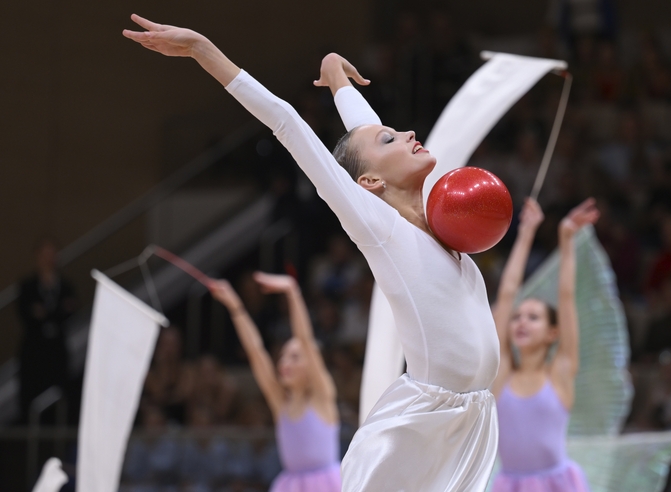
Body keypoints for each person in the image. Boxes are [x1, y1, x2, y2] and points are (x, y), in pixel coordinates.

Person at [124, 16, 500, 491]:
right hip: (423, 427)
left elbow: (364, 131)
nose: (404, 133)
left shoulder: (441, 223)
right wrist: (203, 51)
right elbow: (287, 122)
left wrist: (338, 79)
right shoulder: (378, 226)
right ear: (369, 184)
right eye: (390, 139)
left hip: (475, 418)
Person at [489, 197, 597, 491]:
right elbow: (508, 293)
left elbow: (566, 297)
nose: (521, 322)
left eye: (533, 317)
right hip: (510, 485)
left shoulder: (560, 371)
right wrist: (526, 234)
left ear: (553, 332)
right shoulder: (502, 375)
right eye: (517, 318)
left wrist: (565, 238)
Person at [209, 273, 341, 491]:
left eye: (294, 357)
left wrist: (292, 292)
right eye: (283, 356)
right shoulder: (281, 403)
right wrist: (235, 307)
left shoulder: (322, 395)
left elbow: (305, 339)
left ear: (312, 366)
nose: (284, 362)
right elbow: (255, 351)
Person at [16, 238, 77, 423]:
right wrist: (55, 312)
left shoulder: (65, 286)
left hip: (57, 353)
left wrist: (47, 313)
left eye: (53, 254)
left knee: (61, 397)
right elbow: (28, 315)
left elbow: (69, 311)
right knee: (32, 398)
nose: (49, 259)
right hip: (34, 353)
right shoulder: (28, 286)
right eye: (45, 254)